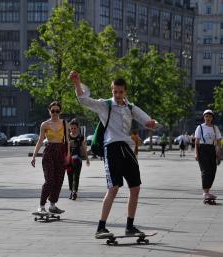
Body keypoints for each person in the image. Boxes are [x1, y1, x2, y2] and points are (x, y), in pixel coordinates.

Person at [70, 70, 157, 239]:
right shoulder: (105, 105)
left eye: (121, 92)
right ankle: (101, 227)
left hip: (128, 149)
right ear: (112, 91)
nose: (117, 95)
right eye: (115, 91)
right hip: (112, 148)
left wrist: (153, 123)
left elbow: (147, 121)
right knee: (113, 188)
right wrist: (77, 82)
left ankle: (130, 226)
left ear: (125, 92)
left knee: (135, 188)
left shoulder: (131, 108)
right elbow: (83, 100)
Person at [31, 101, 70, 214]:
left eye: (57, 111)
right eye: (53, 111)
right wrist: (34, 156)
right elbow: (40, 140)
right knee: (50, 181)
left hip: (61, 152)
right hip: (49, 152)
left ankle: (52, 205)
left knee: (59, 180)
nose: (55, 113)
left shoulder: (64, 123)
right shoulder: (45, 124)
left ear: (60, 111)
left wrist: (68, 155)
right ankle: (41, 206)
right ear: (49, 111)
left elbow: (67, 140)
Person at [194, 110, 222, 201]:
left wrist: (218, 153)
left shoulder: (215, 128)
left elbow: (218, 142)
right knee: (205, 171)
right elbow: (196, 142)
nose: (208, 118)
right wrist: (196, 153)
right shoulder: (200, 127)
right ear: (204, 117)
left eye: (210, 116)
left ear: (212, 118)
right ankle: (205, 192)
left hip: (211, 149)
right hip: (202, 149)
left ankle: (208, 190)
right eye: (206, 116)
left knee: (213, 170)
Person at [67, 118, 90, 200]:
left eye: (75, 128)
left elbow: (84, 147)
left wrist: (87, 159)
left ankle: (74, 192)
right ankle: (71, 191)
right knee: (69, 176)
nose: (73, 130)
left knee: (76, 176)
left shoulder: (80, 137)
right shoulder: (67, 137)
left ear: (78, 128)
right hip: (69, 160)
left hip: (78, 160)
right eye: (71, 128)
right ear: (69, 128)